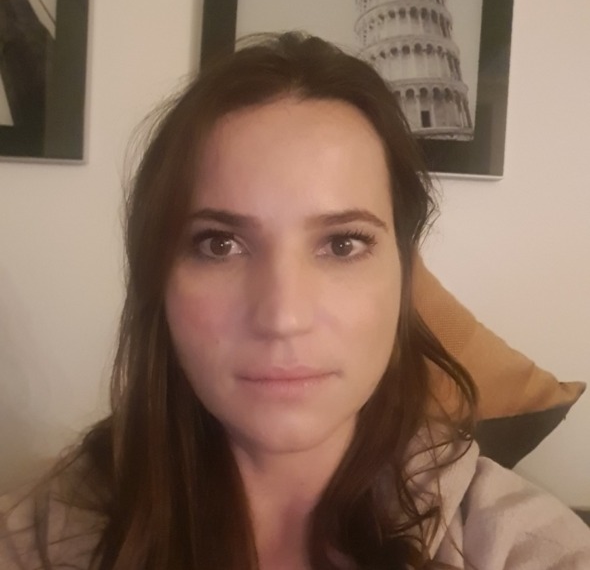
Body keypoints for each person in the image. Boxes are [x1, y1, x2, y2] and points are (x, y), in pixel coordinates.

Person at [1, 31, 589, 570]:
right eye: (219, 244)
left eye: (342, 244)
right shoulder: (37, 540)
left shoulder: (521, 546)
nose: (283, 317)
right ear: (159, 278)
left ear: (404, 275)